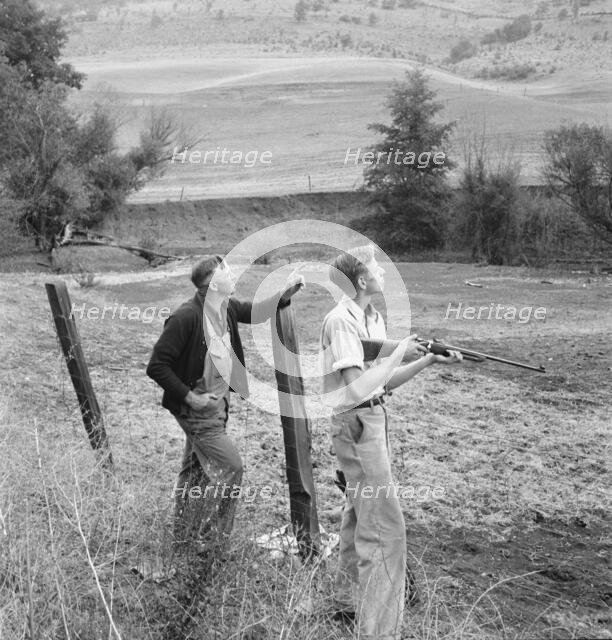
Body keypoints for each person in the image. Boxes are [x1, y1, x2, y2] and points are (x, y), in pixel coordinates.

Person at [320, 245, 462, 639]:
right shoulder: (341, 321)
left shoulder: (373, 318)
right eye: (376, 267)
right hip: (358, 424)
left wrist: (426, 360)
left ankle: (347, 604)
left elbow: (383, 382)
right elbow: (355, 385)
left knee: (358, 516)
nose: (384, 271)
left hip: (371, 418)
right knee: (384, 530)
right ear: (361, 280)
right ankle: (379, 630)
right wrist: (399, 348)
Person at [147, 255, 304, 553]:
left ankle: (183, 537)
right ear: (212, 284)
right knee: (231, 468)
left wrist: (286, 292)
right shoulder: (186, 318)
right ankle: (214, 543)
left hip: (217, 407)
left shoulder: (226, 307)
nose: (233, 276)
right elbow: (157, 365)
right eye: (227, 273)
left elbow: (256, 312)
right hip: (198, 412)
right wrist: (190, 397)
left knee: (194, 470)